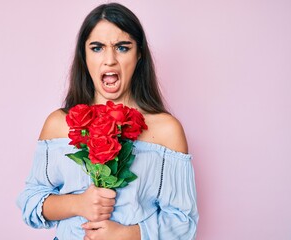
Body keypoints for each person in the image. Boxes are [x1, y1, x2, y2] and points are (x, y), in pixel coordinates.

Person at [17, 3, 198, 240]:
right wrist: (78, 204)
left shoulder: (166, 131)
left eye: (122, 47)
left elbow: (185, 223)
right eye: (97, 48)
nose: (110, 60)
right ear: (84, 55)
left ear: (139, 54)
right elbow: (30, 201)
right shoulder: (59, 124)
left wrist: (129, 234)